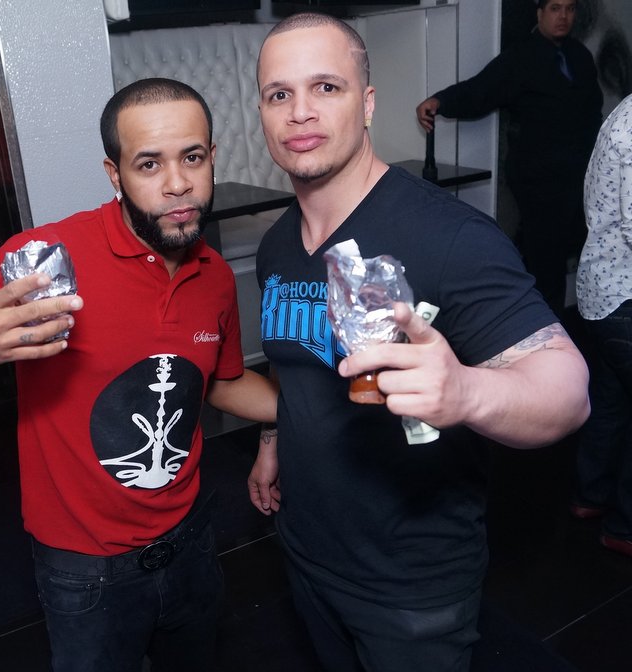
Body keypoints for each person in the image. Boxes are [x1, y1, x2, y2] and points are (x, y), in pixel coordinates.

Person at [0, 77, 277, 672]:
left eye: (193, 157)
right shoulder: (45, 262)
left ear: (212, 158)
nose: (177, 183)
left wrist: (309, 408)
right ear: (114, 174)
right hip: (86, 571)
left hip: (193, 540)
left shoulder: (215, 277)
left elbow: (219, 382)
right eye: (149, 164)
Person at [247, 12, 590, 672]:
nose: (299, 111)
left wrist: (465, 392)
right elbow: (297, 363)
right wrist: (272, 442)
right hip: (307, 552)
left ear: (367, 103)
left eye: (326, 87)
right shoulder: (278, 246)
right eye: (278, 94)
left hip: (410, 586)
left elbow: (567, 388)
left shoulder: (450, 237)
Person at [415, 0, 603, 318]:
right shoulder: (522, 57)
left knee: (574, 252)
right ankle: (544, 328)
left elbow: (593, 112)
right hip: (539, 178)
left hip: (578, 176)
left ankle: (566, 322)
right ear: (539, 12)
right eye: (555, 8)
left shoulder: (579, 56)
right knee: (545, 261)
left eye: (570, 9)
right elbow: (481, 90)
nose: (563, 16)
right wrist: (441, 101)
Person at [571, 93, 632, 558]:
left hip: (603, 292)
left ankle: (590, 496)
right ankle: (625, 527)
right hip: (625, 295)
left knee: (610, 401)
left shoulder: (626, 110)